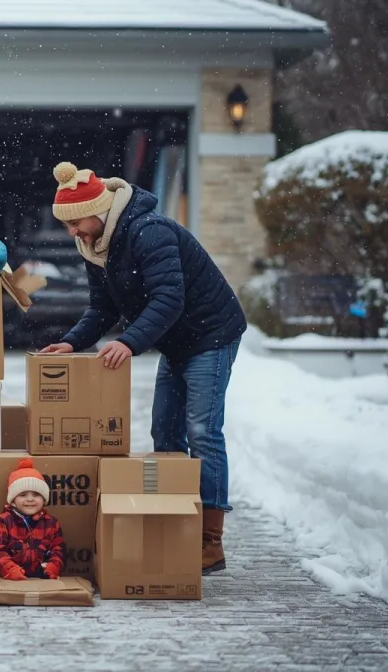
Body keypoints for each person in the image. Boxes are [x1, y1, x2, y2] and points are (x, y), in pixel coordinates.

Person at [39, 161, 247, 575]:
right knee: (164, 431)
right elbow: (103, 308)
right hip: (176, 340)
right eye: (67, 226)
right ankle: (175, 526)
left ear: (98, 211)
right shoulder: (95, 246)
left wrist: (129, 342)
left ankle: (210, 542)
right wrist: (72, 340)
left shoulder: (149, 231)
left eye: (76, 223)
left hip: (210, 334)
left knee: (202, 431)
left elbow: (170, 298)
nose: (72, 233)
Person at [0, 458, 66, 581]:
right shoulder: (3, 521)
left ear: (44, 500)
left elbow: (58, 550)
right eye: (23, 495)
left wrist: (53, 568)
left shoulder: (51, 523)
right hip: (12, 579)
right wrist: (11, 570)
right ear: (12, 501)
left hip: (43, 580)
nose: (30, 499)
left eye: (36, 495)